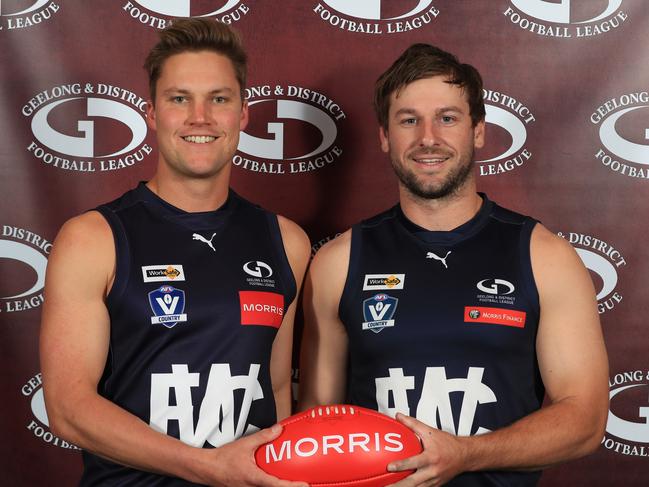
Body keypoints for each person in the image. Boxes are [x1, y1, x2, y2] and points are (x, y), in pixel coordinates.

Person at [298, 43, 609, 486]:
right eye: (409, 120)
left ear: (478, 130)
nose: (428, 137)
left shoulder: (545, 256)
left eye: (447, 118)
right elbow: (317, 424)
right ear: (385, 136)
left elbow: (586, 420)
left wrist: (465, 455)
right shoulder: (337, 262)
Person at [40, 18, 310, 487]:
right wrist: (209, 468)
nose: (199, 118)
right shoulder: (93, 238)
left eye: (219, 99)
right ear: (152, 112)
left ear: (243, 114)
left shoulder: (286, 241)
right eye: (179, 98)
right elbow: (68, 409)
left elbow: (278, 385)